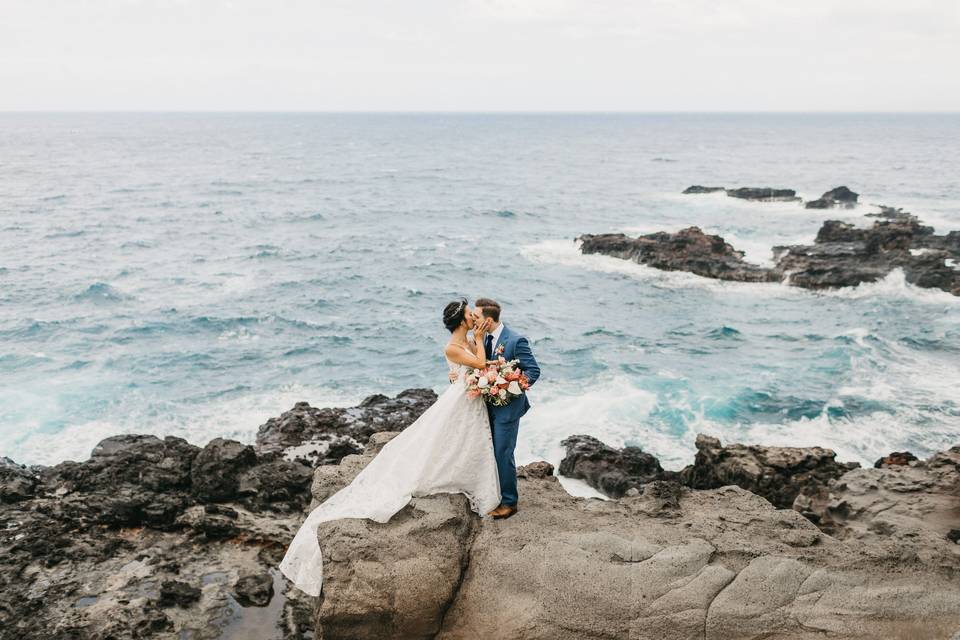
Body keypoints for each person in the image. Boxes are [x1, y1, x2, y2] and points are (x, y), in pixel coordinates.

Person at [278, 298, 503, 597]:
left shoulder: (463, 342)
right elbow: (480, 364)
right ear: (461, 321)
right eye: (468, 315)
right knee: (448, 441)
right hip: (461, 399)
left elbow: (471, 368)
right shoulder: (452, 345)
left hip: (463, 397)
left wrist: (475, 352)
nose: (473, 318)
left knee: (463, 440)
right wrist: (478, 343)